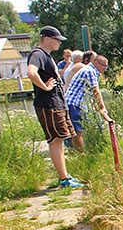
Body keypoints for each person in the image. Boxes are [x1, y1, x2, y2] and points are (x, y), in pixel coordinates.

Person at [26, 25, 82, 188]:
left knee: (60, 138)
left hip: (56, 104)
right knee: (56, 140)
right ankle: (64, 179)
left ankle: (64, 176)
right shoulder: (38, 54)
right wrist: (45, 86)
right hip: (48, 104)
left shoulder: (47, 56)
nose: (59, 43)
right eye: (57, 39)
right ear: (47, 39)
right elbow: (31, 72)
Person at [63, 52, 112, 152]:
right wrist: (102, 108)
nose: (105, 69)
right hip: (74, 103)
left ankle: (83, 152)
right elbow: (95, 91)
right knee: (77, 131)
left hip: (75, 103)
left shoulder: (88, 70)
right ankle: (81, 155)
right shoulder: (90, 71)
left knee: (81, 129)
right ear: (97, 63)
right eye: (104, 66)